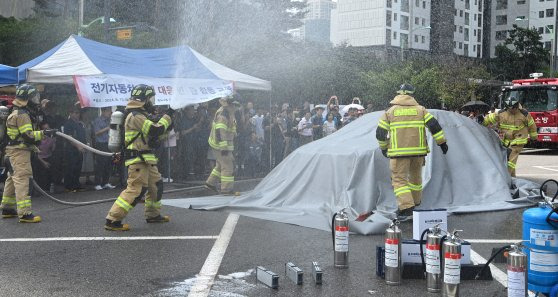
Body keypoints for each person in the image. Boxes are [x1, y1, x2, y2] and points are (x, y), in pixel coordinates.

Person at [104, 84, 173, 231]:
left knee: (156, 185)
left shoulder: (140, 114)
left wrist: (169, 124)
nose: (151, 102)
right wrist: (168, 117)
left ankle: (153, 215)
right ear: (144, 99)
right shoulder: (136, 115)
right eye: (150, 98)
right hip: (138, 159)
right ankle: (112, 219)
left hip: (146, 158)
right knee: (136, 189)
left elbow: (154, 136)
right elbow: (155, 130)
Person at [376, 84, 448, 220]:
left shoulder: (389, 112)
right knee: (415, 178)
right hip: (418, 153)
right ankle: (415, 203)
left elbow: (380, 133)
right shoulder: (421, 110)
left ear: (398, 94)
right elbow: (434, 126)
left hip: (399, 154)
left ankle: (406, 207)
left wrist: (384, 148)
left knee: (399, 180)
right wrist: (442, 143)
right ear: (411, 95)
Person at [1, 84, 56, 223]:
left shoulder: (19, 111)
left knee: (12, 179)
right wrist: (44, 133)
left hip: (13, 151)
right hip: (19, 152)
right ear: (26, 98)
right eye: (33, 96)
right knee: (22, 180)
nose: (36, 99)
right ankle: (25, 214)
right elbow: (29, 136)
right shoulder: (23, 114)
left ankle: (7, 208)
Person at [482, 96, 537, 178]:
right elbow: (489, 119)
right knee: (507, 160)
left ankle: (505, 178)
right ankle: (513, 179)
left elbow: (532, 126)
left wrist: (534, 137)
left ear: (517, 106)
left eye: (514, 108)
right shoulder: (501, 113)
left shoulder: (524, 114)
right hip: (506, 141)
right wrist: (482, 122)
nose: (512, 110)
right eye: (510, 108)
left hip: (519, 140)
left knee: (510, 161)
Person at [205, 97, 238, 195]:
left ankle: (210, 184)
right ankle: (226, 189)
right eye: (236, 105)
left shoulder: (228, 111)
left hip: (220, 144)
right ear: (231, 105)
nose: (237, 108)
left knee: (220, 165)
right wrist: (224, 148)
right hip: (221, 145)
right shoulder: (223, 115)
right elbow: (220, 132)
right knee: (228, 166)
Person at [63, 105, 86, 192]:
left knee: (78, 167)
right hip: (71, 149)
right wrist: (78, 146)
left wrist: (84, 145)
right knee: (71, 167)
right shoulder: (68, 124)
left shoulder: (80, 124)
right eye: (75, 113)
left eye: (78, 113)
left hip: (79, 149)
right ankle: (69, 186)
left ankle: (76, 184)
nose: (77, 115)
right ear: (70, 113)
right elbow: (69, 137)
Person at [92, 107, 115, 190]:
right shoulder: (97, 120)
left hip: (109, 143)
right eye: (109, 111)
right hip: (101, 143)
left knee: (108, 163)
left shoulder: (110, 120)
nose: (110, 112)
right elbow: (96, 133)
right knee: (100, 164)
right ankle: (97, 183)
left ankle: (106, 182)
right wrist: (107, 128)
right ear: (103, 111)